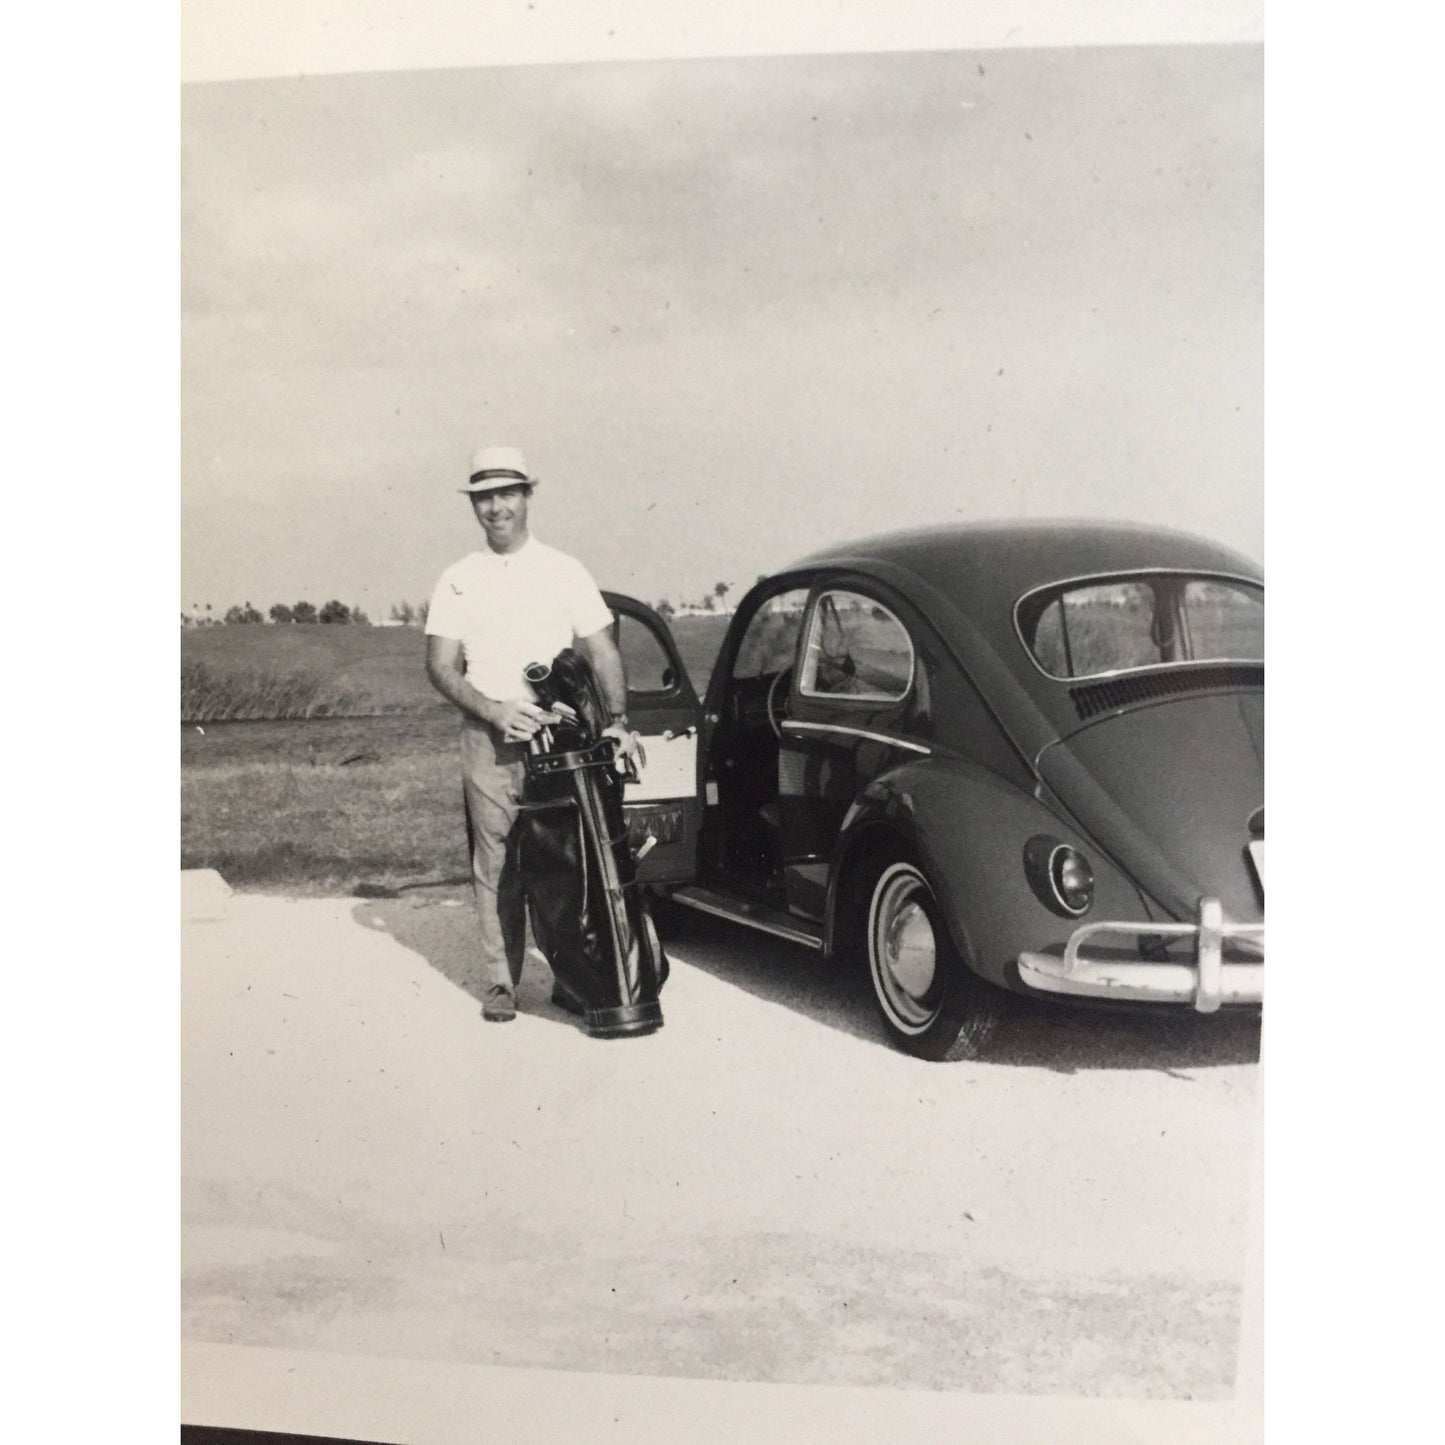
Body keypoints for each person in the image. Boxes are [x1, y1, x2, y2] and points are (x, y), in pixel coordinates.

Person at [425, 445, 642, 1023]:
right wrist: (495, 711)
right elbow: (440, 666)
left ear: (526, 497)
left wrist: (617, 721)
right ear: (474, 505)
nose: (496, 507)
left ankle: (573, 974)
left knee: (568, 861)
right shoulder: (458, 579)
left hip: (561, 740)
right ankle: (501, 981)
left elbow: (602, 650)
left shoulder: (564, 569)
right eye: (484, 497)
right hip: (488, 737)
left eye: (506, 494)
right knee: (496, 862)